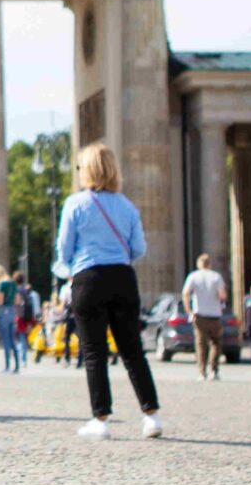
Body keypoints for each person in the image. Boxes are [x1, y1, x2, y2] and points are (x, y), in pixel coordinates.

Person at [56, 144, 161, 437]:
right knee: (132, 350)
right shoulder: (127, 206)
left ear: (86, 171)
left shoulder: (75, 204)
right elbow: (139, 248)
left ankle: (100, 419)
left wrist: (68, 270)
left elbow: (63, 250)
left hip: (88, 278)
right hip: (123, 278)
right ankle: (151, 415)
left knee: (93, 351)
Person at [181, 253, 229, 380]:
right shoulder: (216, 276)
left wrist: (189, 311)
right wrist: (221, 302)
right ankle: (214, 370)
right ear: (210, 264)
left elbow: (185, 293)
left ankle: (202, 372)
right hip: (215, 314)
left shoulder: (194, 276)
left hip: (199, 314)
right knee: (215, 342)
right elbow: (222, 295)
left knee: (201, 344)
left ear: (198, 264)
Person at [0, 264, 20, 373]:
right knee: (12, 339)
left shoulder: (1, 284)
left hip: (3, 312)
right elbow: (17, 300)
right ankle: (17, 365)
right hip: (12, 311)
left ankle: (7, 366)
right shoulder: (13, 283)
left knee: (5, 340)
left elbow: (0, 301)